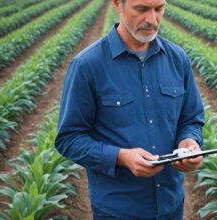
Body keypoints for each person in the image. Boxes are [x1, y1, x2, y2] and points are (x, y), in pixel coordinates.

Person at [55, 0, 205, 219]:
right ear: (117, 4)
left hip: (171, 205)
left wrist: (189, 142)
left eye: (159, 9)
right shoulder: (88, 65)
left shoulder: (177, 58)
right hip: (118, 210)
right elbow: (69, 139)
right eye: (142, 9)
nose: (152, 20)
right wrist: (120, 157)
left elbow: (190, 119)